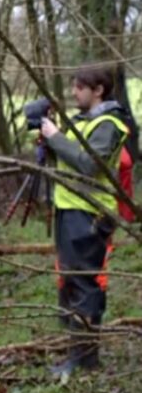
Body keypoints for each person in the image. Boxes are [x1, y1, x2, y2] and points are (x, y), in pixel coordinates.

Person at [39, 65, 133, 376]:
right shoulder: (83, 122)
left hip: (90, 216)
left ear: (98, 91)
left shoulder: (109, 124)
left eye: (80, 87)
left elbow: (88, 165)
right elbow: (67, 159)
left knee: (85, 285)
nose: (74, 93)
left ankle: (84, 361)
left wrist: (55, 138)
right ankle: (76, 354)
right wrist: (48, 141)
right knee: (69, 281)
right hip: (70, 211)